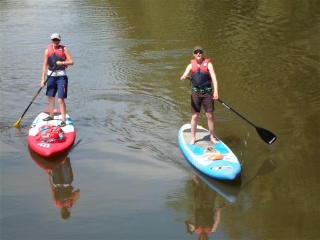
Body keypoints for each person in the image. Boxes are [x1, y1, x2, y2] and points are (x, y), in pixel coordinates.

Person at [180, 46, 219, 145]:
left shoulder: (209, 64)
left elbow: (214, 79)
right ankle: (193, 137)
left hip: (207, 92)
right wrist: (184, 76)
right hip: (196, 92)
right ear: (194, 54)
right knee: (195, 115)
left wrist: (216, 92)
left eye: (200, 52)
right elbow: (184, 74)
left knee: (210, 115)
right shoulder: (190, 65)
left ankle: (211, 137)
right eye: (196, 52)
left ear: (202, 53)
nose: (198, 54)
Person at [41, 33, 74, 127]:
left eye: (57, 40)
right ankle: (51, 115)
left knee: (60, 99)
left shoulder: (64, 49)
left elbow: (72, 62)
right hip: (50, 76)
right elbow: (44, 65)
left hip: (61, 77)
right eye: (54, 40)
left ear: (59, 41)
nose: (55, 42)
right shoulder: (47, 51)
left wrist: (62, 62)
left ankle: (63, 120)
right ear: (51, 40)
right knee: (50, 97)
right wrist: (42, 79)